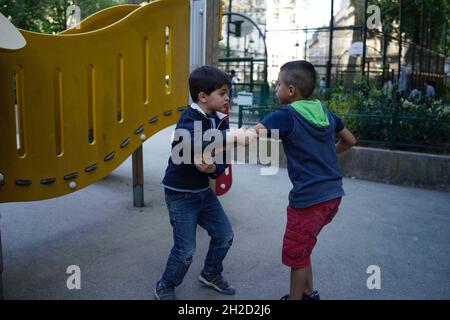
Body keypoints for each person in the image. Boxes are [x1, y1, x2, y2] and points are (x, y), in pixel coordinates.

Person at [248, 60, 356, 300]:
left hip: (308, 201)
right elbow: (350, 140)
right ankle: (309, 292)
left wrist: (217, 143)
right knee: (305, 246)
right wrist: (326, 155)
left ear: (290, 90)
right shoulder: (324, 112)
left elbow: (253, 133)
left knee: (296, 253)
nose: (276, 89)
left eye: (278, 84)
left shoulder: (286, 115)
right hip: (333, 196)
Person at [155, 65, 236, 300]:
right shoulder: (189, 117)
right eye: (221, 93)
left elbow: (222, 157)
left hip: (203, 192)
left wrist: (214, 169)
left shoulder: (220, 120)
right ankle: (165, 285)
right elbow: (191, 141)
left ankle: (210, 273)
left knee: (225, 235)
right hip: (180, 194)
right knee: (186, 250)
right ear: (203, 96)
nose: (226, 97)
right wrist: (233, 137)